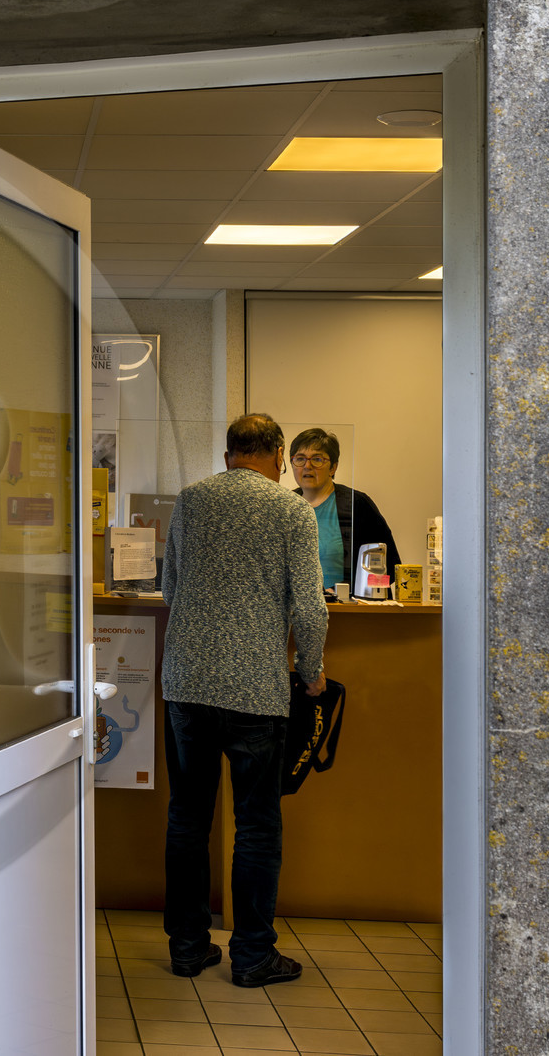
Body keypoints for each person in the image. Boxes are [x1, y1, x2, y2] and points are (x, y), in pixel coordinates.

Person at [160, 414, 328, 987]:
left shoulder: (190, 500)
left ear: (229, 452)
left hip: (187, 683)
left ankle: (188, 948)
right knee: (256, 825)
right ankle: (253, 956)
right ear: (278, 454)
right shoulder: (291, 510)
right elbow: (309, 606)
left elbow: (170, 588)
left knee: (187, 816)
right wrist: (311, 671)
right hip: (256, 688)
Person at [288, 428, 402, 591]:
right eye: (300, 459)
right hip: (297, 604)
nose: (307, 466)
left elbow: (389, 565)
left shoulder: (357, 504)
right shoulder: (285, 505)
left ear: (333, 468)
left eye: (317, 459)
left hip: (349, 604)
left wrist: (352, 594)